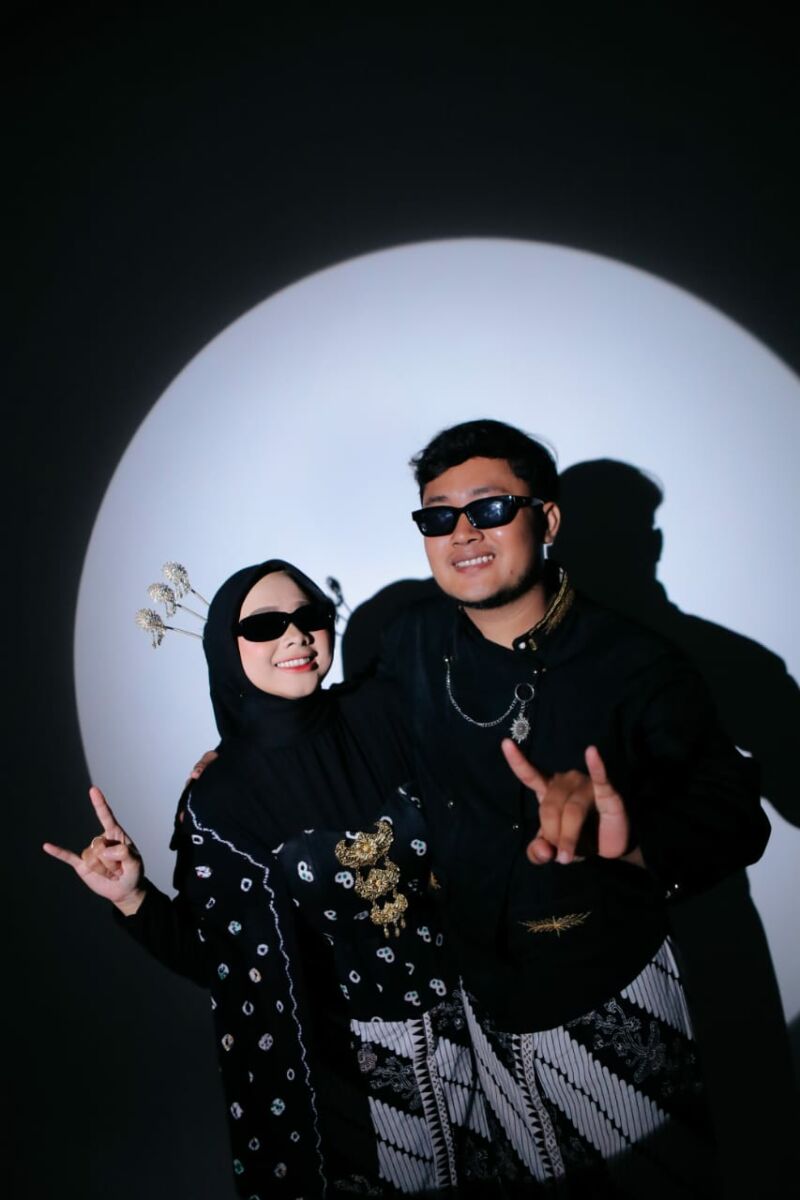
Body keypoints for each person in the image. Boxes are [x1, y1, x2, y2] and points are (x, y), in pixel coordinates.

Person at [371, 418, 771, 1196]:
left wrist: (627, 838)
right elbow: (353, 727)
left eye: (489, 508)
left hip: (610, 990)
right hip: (479, 1003)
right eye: (438, 516)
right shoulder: (412, 640)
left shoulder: (636, 662)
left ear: (546, 520)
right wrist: (245, 747)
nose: (462, 533)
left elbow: (735, 815)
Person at [44, 560, 482, 1199]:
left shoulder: (387, 712)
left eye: (309, 618)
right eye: (265, 625)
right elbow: (226, 964)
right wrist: (134, 897)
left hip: (480, 1041)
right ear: (227, 647)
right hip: (348, 1080)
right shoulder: (222, 798)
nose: (296, 636)